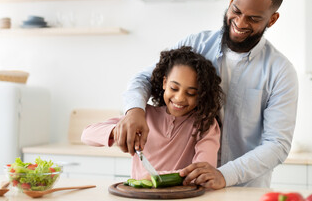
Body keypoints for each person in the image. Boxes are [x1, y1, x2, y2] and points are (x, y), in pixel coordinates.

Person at [119, 0, 298, 189]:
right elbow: (144, 78)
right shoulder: (195, 45)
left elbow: (277, 145)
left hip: (244, 191)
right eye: (237, 11)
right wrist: (134, 110)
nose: (240, 23)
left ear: (272, 19)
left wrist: (224, 175)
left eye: (253, 18)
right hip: (189, 189)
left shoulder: (280, 72)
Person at [81, 46, 224, 180]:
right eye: (174, 88)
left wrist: (156, 178)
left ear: (201, 94)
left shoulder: (206, 125)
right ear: (164, 83)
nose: (180, 98)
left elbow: (203, 172)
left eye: (191, 93)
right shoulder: (144, 115)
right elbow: (87, 135)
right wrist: (118, 131)